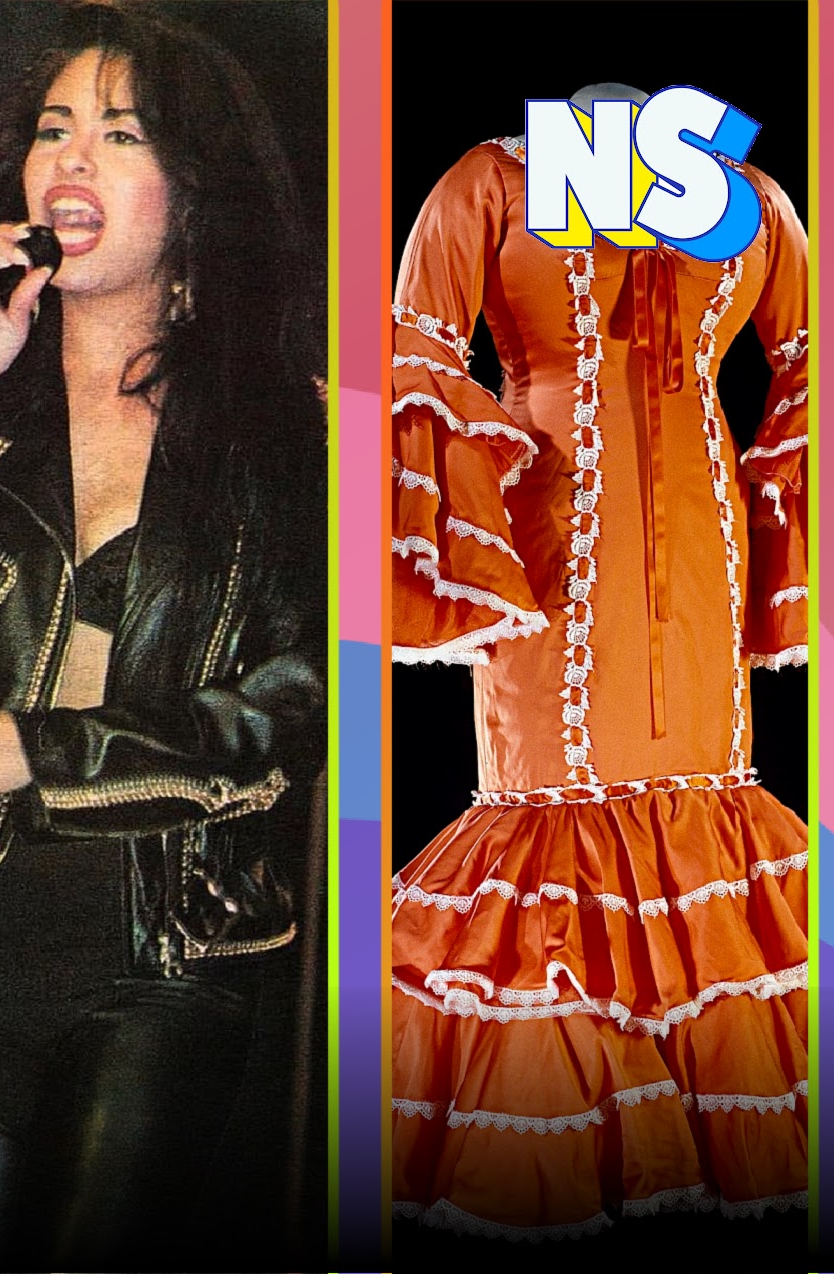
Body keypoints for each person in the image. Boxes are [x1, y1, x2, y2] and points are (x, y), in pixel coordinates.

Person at [0, 4, 326, 1267]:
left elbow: (287, 716)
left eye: (119, 133)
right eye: (51, 131)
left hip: (163, 954)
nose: (68, 161)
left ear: (192, 193)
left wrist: (26, 747)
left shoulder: (287, 435)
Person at [389, 93, 809, 1240]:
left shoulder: (754, 198)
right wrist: (453, 531)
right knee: (548, 793)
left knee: (703, 790)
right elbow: (414, 349)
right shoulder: (488, 179)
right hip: (546, 528)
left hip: (699, 523)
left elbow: (807, 362)